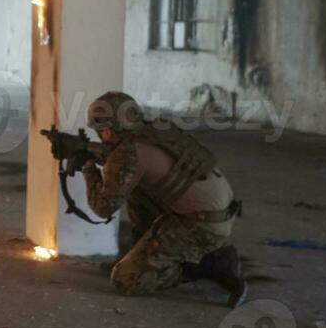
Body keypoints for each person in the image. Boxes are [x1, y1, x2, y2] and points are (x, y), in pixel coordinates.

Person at [82, 91, 247, 307]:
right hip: (222, 213)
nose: (100, 136)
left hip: (201, 226)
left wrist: (88, 170)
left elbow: (103, 208)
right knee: (137, 189)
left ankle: (212, 265)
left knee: (126, 280)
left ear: (108, 130)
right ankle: (138, 254)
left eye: (100, 131)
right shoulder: (155, 131)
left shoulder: (127, 153)